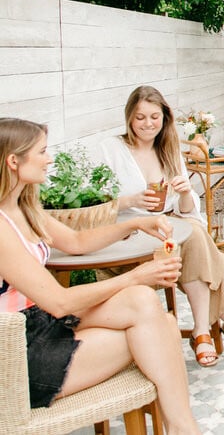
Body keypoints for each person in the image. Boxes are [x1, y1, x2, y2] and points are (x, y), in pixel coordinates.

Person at [0, 118, 200, 434]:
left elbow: (77, 242)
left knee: (142, 302)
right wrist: (136, 276)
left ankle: (181, 428)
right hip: (15, 354)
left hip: (39, 323)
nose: (49, 158)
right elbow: (60, 302)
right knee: (163, 328)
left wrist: (134, 224)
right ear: (14, 161)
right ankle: (184, 429)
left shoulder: (24, 206)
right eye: (42, 151)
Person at [99, 86, 224, 367]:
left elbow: (186, 209)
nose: (148, 124)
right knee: (196, 239)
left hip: (169, 222)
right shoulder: (112, 149)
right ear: (129, 117)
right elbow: (97, 202)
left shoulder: (169, 149)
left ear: (165, 118)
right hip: (133, 230)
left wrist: (187, 191)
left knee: (195, 233)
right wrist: (130, 200)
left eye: (154, 116)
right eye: (140, 117)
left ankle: (202, 329)